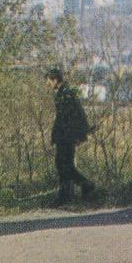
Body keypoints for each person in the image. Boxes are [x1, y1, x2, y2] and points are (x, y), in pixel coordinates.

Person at [46, 66, 94, 205]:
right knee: (65, 165)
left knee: (63, 165)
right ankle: (78, 189)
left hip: (66, 136)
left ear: (55, 80)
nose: (47, 84)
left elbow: (64, 118)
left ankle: (68, 194)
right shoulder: (66, 92)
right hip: (68, 135)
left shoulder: (64, 94)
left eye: (49, 80)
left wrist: (62, 136)